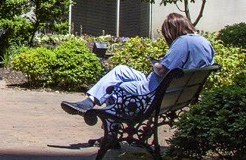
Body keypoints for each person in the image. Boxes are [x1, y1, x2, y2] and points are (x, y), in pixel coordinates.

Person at [61, 12, 214, 115]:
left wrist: (156, 64)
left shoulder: (183, 42)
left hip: (154, 90)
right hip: (176, 92)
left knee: (117, 88)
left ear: (172, 30)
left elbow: (162, 72)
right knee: (120, 70)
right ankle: (90, 101)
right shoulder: (205, 42)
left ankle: (111, 133)